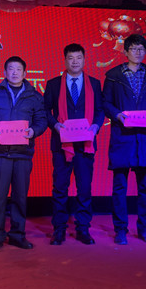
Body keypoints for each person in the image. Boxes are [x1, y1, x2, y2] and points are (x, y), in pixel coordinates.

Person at [0, 56, 48, 252]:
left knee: (20, 197)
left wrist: (34, 131)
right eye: (11, 68)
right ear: (5, 72)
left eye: (18, 69)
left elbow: (42, 120)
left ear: (25, 73)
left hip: (22, 154)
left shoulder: (35, 96)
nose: (15, 72)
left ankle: (18, 235)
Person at [102, 34, 146, 245]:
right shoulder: (113, 75)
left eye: (141, 49)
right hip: (123, 137)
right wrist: (117, 115)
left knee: (145, 187)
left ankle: (145, 229)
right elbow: (106, 103)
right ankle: (120, 230)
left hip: (144, 138)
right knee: (120, 187)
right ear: (125, 51)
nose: (138, 53)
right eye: (134, 49)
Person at [43, 43, 104, 245]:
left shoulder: (94, 84)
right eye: (71, 58)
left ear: (84, 60)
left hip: (85, 145)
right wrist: (55, 125)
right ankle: (59, 229)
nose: (75, 61)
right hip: (62, 145)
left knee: (84, 189)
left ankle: (83, 228)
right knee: (60, 188)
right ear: (65, 60)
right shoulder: (53, 84)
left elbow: (100, 110)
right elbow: (45, 111)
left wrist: (95, 126)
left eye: (78, 57)